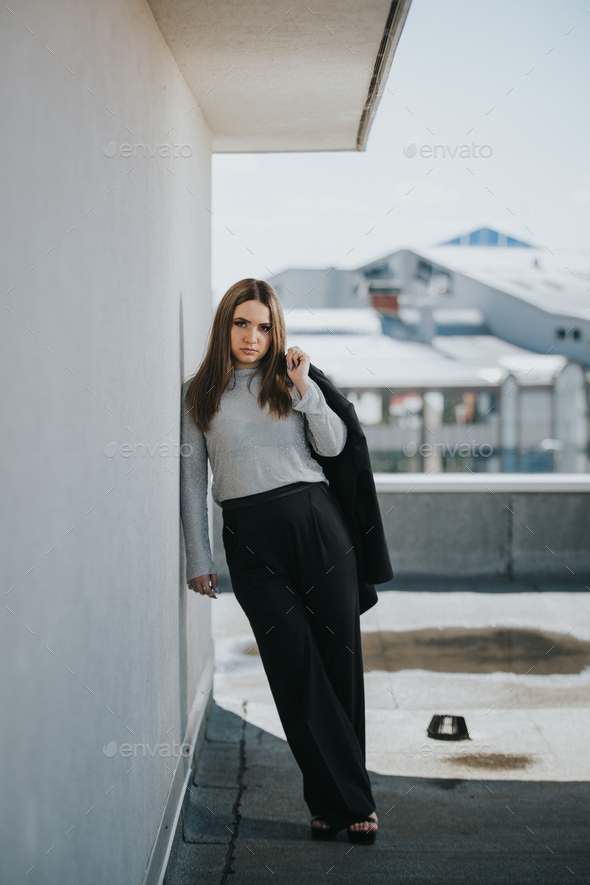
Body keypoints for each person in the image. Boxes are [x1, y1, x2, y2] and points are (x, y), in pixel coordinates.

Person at [180, 278, 378, 843]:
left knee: (338, 667)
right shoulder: (199, 394)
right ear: (225, 326)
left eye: (263, 326)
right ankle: (345, 797)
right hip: (252, 543)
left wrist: (305, 389)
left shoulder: (290, 382)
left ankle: (336, 803)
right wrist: (200, 556)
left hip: (318, 527)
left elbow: (337, 446)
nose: (252, 336)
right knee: (294, 668)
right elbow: (193, 482)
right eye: (242, 323)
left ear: (275, 332)